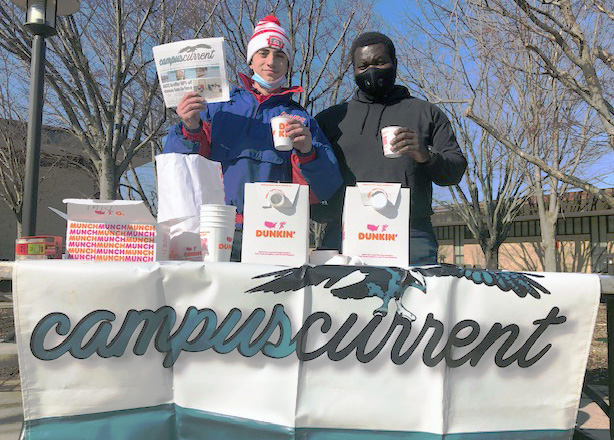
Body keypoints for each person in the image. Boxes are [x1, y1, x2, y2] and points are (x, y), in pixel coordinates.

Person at [162, 15, 343, 260]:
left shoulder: (300, 118)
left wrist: (307, 152)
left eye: (280, 56)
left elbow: (323, 189)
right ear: (251, 59)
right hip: (218, 228)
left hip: (275, 231)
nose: (271, 62)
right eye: (263, 53)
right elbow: (183, 171)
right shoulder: (218, 106)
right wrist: (190, 127)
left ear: (288, 63)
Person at [315, 32, 467, 265]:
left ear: (394, 63)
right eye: (363, 65)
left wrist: (426, 156)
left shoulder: (425, 113)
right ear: (353, 71)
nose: (372, 70)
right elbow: (312, 174)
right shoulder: (331, 119)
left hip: (411, 233)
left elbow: (455, 171)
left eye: (379, 62)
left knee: (413, 301)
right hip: (344, 232)